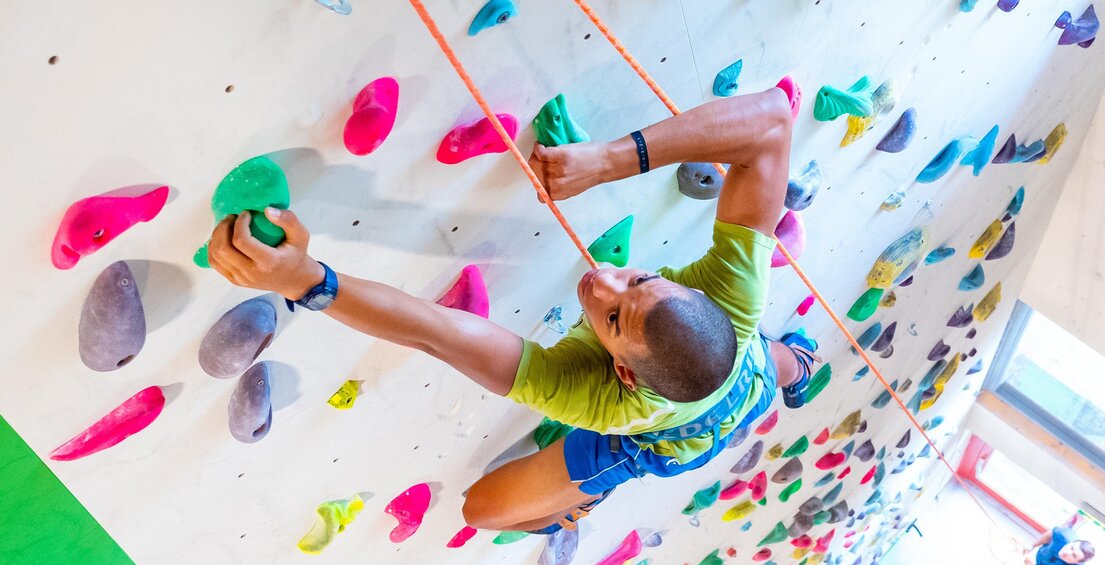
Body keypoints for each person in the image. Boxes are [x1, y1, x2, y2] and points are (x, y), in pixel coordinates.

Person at [206, 81, 821, 534]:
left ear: (623, 372)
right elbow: (772, 122)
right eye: (639, 279)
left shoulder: (599, 400)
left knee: (486, 508)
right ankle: (796, 360)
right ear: (697, 292)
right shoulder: (736, 296)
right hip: (751, 370)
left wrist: (307, 280)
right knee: (766, 363)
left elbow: (437, 333)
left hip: (667, 444)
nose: (603, 280)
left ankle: (585, 500)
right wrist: (608, 159)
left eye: (611, 317)